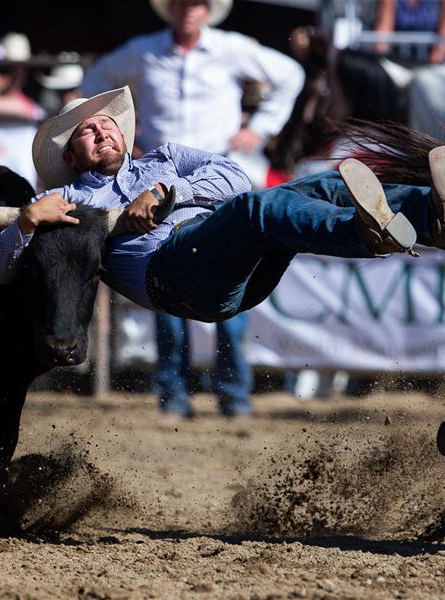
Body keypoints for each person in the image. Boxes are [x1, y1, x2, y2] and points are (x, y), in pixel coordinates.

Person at [0, 89, 445, 420]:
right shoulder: (72, 204)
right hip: (174, 274)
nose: (102, 132)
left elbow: (234, 176)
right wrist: (26, 221)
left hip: (223, 268)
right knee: (259, 209)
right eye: (86, 133)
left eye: (106, 124)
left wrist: (163, 191)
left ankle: (434, 217)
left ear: (124, 134)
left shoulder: (166, 158)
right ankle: (371, 236)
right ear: (71, 159)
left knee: (318, 186)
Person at [79, 0, 305, 420]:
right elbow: (91, 82)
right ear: (170, 9)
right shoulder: (144, 51)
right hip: (161, 183)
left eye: (196, 3)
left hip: (212, 177)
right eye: (181, 2)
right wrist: (133, 153)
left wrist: (260, 128)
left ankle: (229, 395)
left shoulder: (229, 48)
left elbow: (292, 75)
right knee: (170, 288)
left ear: (206, 11)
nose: (188, 9)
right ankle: (179, 395)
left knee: (223, 286)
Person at [373, 0, 445, 62]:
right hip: (402, 60)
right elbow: (384, 28)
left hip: (440, 61)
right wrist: (383, 61)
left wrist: (432, 65)